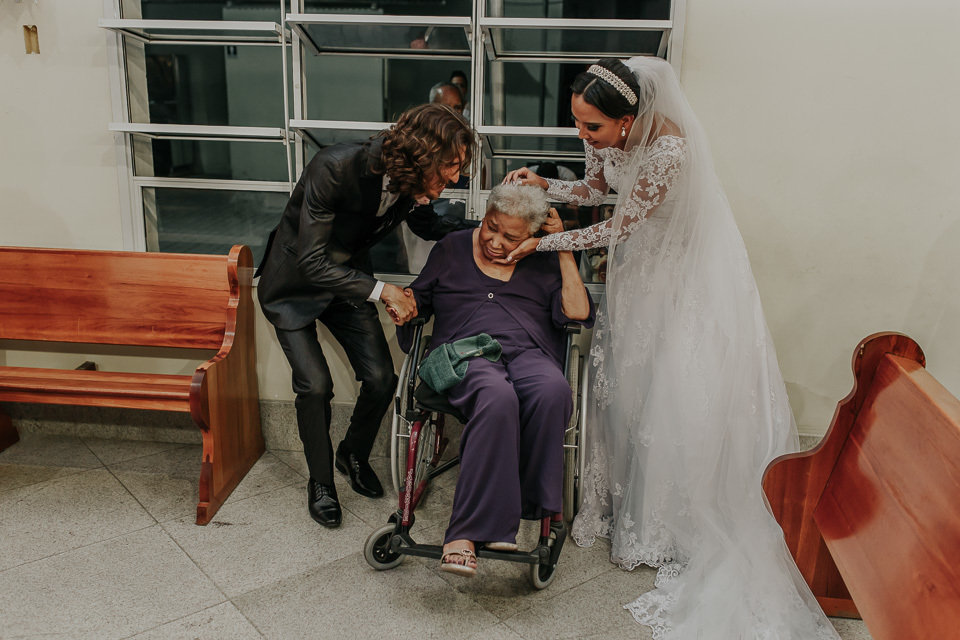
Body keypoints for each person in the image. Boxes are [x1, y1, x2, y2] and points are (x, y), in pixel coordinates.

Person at [502, 58, 840, 638]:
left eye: (592, 128)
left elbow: (620, 225)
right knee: (632, 384)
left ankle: (673, 518)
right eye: (577, 123)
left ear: (627, 119)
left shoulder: (670, 150)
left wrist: (545, 244)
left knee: (677, 385)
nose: (583, 135)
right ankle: (626, 503)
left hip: (684, 271)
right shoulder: (607, 136)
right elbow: (594, 189)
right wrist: (543, 185)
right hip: (638, 269)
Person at [256, 104, 477, 529]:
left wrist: (494, 228)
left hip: (348, 281)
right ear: (423, 153)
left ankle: (352, 454)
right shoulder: (334, 166)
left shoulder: (411, 180)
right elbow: (311, 260)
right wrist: (384, 291)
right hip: (295, 286)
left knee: (381, 379)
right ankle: (321, 483)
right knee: (315, 386)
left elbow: (429, 226)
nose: (454, 177)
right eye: (451, 165)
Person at [397, 184, 594, 576]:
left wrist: (561, 248)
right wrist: (403, 304)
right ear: (485, 215)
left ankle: (523, 508)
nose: (496, 241)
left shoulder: (545, 259)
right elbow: (415, 299)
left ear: (533, 235)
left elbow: (576, 312)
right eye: (491, 227)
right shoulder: (452, 247)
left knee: (553, 390)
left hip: (530, 353)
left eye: (512, 237)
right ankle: (466, 533)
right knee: (497, 396)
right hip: (466, 354)